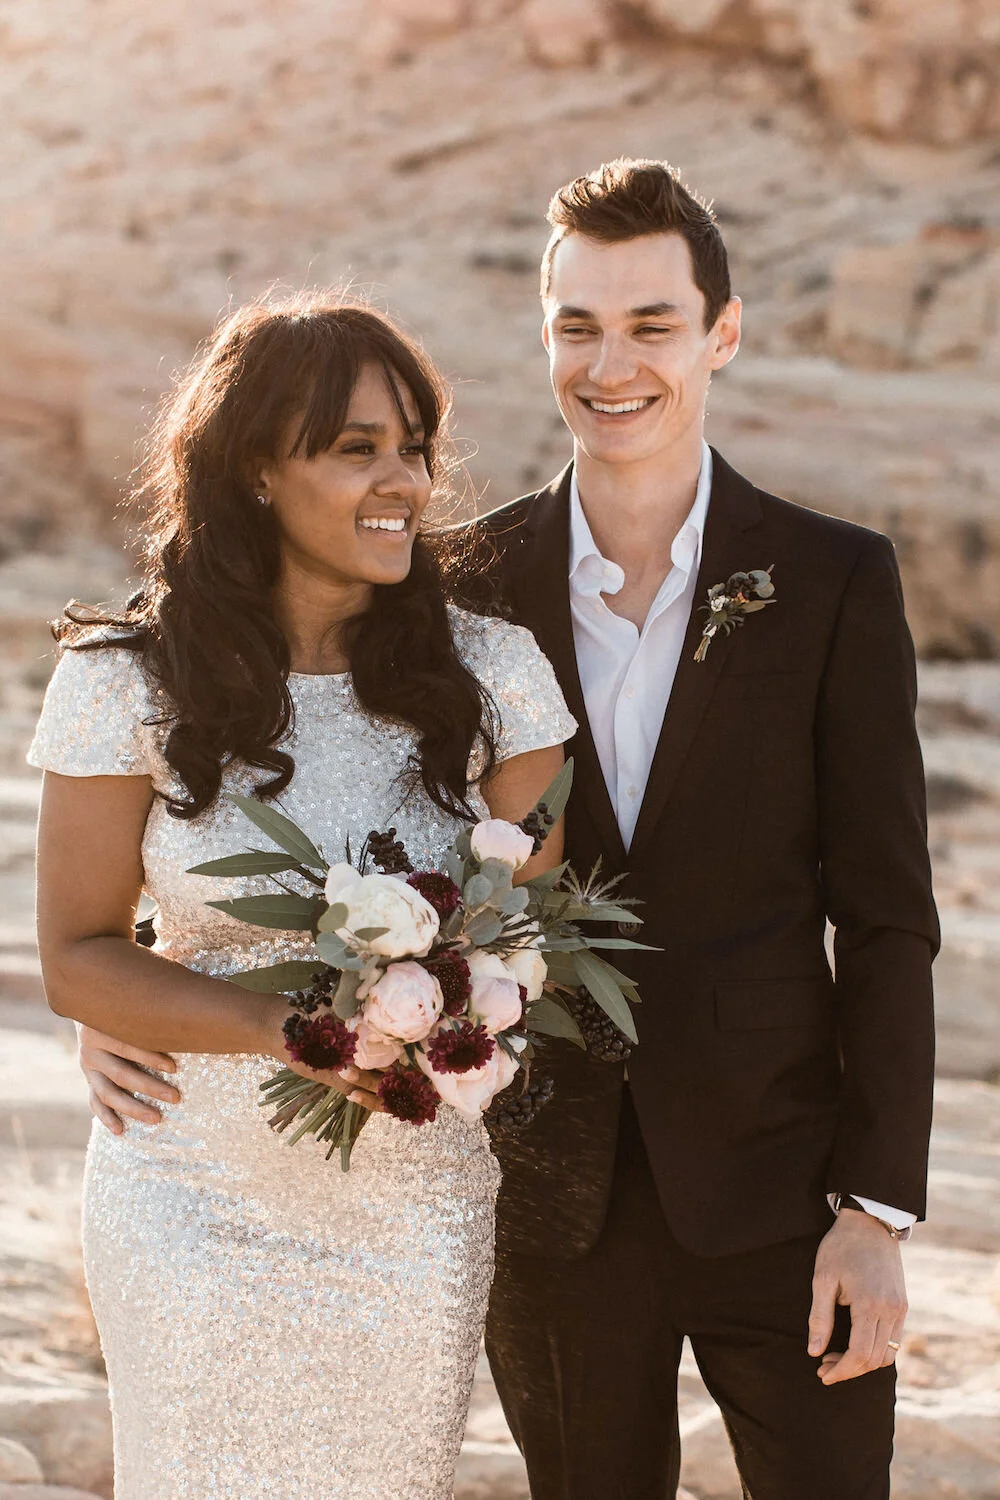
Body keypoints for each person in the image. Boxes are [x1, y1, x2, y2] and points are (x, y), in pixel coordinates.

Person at [80, 159, 939, 1499]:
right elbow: (289, 752)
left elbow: (889, 914)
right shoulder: (453, 584)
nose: (612, 364)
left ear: (722, 331)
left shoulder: (834, 579)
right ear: (543, 334)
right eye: (577, 326)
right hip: (547, 1189)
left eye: (651, 324)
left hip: (785, 1187)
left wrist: (877, 1208)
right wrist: (126, 991)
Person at [30, 295, 576, 1499]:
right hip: (189, 1195)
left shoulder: (493, 676)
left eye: (413, 445)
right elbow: (74, 953)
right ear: (259, 471)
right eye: (355, 447)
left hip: (410, 1199)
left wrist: (444, 1001)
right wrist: (289, 1031)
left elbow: (536, 924)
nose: (406, 480)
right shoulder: (122, 682)